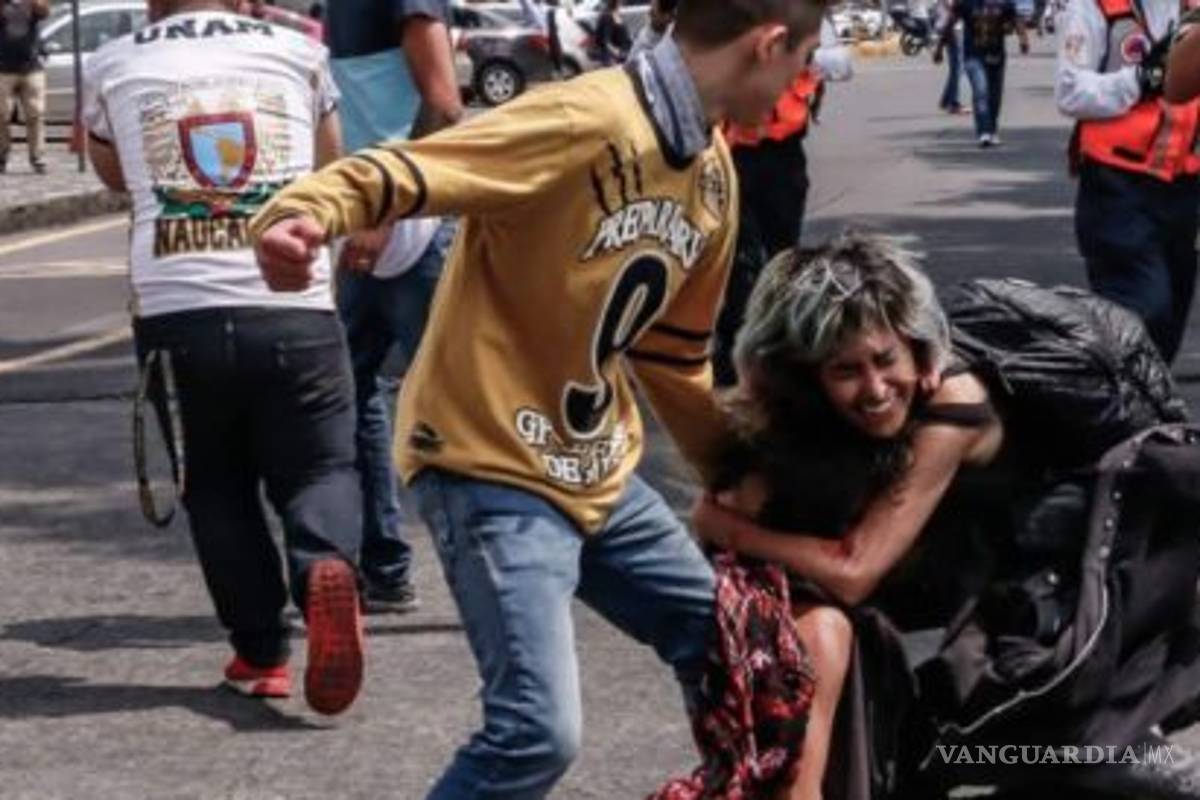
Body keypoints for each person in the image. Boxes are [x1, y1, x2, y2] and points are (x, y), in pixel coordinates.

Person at [250, 0, 827, 794]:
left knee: (737, 647)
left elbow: (673, 358)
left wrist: (744, 476)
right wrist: (302, 215)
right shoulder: (581, 118)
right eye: (806, 57)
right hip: (488, 462)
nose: (808, 77)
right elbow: (408, 169)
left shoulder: (714, 177)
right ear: (767, 45)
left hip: (597, 470)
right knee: (535, 732)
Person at [695, 231, 1200, 797]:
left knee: (971, 745)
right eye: (846, 371)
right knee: (950, 744)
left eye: (886, 360)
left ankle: (1136, 761)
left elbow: (855, 569)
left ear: (917, 346)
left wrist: (726, 528)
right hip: (1015, 560)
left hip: (1092, 579)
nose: (876, 388)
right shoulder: (837, 400)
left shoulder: (953, 400)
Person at [82, 0, 364, 716]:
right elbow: (331, 159)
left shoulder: (117, 60)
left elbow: (113, 174)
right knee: (319, 466)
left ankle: (262, 651)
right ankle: (324, 564)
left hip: (177, 312)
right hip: (294, 300)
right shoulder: (298, 49)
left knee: (215, 483)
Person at [326, 0, 462, 613]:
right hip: (367, 229)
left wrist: (385, 215)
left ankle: (491, 572)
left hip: (414, 230)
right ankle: (384, 566)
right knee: (353, 398)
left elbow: (443, 104)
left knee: (455, 416)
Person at [1056, 0, 1200, 363]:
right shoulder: (1094, 8)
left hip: (1183, 187)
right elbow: (1070, 92)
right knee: (1140, 310)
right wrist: (1139, 80)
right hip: (1117, 186)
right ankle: (1120, 408)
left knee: (1168, 322)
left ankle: (1144, 406)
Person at [713, 13, 852, 386]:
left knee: (780, 258)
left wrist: (801, 51)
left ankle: (779, 346)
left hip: (782, 157)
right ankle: (736, 354)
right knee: (736, 260)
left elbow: (841, 65)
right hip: (729, 157)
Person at [934, 0, 1029, 146]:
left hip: (996, 56)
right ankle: (984, 132)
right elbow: (950, 23)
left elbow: (1016, 19)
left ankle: (992, 130)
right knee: (980, 91)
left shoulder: (1004, 3)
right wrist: (940, 48)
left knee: (994, 97)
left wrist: (1023, 39)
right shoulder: (966, 3)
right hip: (973, 56)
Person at [0, 0, 48, 174]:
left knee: (35, 113)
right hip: (3, 67)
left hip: (31, 66)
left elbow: (44, 11)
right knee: (1, 114)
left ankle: (38, 157)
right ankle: (2, 155)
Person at [934, 0, 967, 113]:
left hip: (949, 29)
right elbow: (952, 12)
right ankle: (954, 103)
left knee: (956, 70)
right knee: (958, 69)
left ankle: (946, 100)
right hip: (953, 31)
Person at [592, 0, 632, 65]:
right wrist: (618, 53)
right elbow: (607, 42)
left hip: (627, 50)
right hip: (620, 55)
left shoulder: (616, 13)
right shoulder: (607, 16)